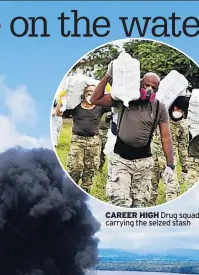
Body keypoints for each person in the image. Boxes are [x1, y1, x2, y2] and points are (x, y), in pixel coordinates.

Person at [91, 68, 177, 207]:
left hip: (144, 162)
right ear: (140, 83)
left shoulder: (159, 107)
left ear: (157, 90)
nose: (149, 89)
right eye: (146, 85)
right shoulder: (124, 99)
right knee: (120, 202)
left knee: (140, 203)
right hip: (121, 160)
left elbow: (166, 137)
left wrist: (170, 164)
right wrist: (107, 76)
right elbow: (95, 99)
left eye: (153, 88)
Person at [56, 84, 105, 193]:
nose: (90, 93)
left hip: (94, 143)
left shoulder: (100, 107)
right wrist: (61, 100)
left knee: (90, 170)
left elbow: (114, 103)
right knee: (75, 168)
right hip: (77, 141)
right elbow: (58, 113)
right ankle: (70, 191)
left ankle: (85, 193)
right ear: (83, 93)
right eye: (88, 91)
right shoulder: (76, 106)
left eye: (93, 91)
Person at [151, 95, 189, 201]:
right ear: (173, 106)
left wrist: (185, 168)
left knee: (172, 191)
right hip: (152, 157)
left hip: (169, 161)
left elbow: (183, 148)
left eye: (181, 110)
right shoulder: (160, 117)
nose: (178, 111)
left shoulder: (182, 125)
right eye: (177, 108)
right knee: (149, 190)